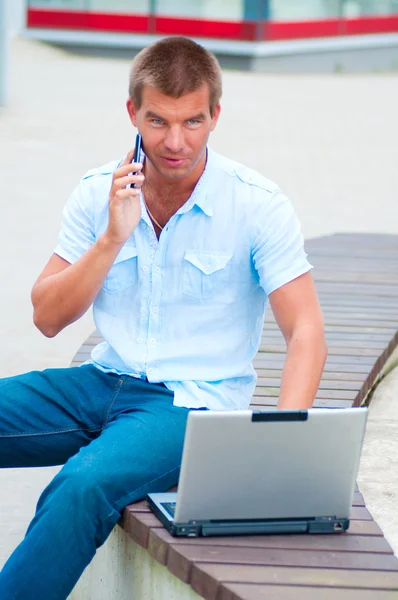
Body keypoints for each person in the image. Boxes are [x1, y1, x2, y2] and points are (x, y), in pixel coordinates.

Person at [0, 36, 327, 599]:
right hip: (101, 381)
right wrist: (111, 238)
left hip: (190, 407)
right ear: (133, 112)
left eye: (193, 122)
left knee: (81, 485)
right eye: (159, 122)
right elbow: (47, 318)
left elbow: (307, 332)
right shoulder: (97, 193)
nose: (176, 142)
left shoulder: (256, 204)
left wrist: (276, 453)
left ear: (216, 115)